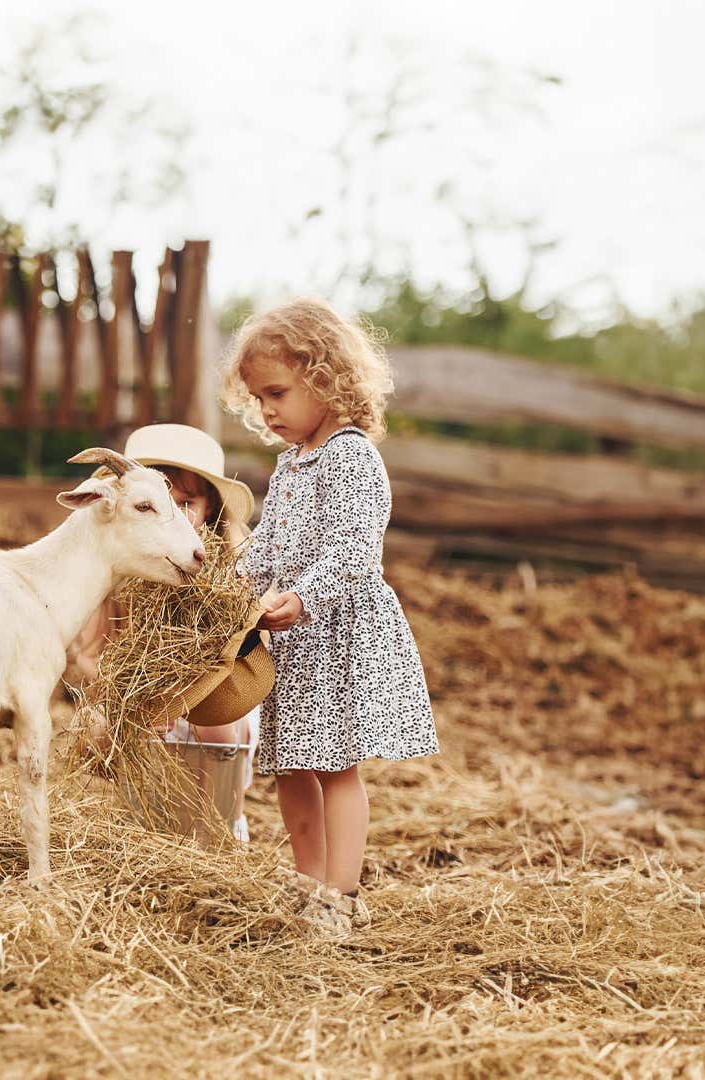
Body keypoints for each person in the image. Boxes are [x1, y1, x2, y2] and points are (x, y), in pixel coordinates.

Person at [222, 296, 440, 936]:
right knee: (291, 763)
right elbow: (272, 541)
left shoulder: (350, 457)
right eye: (258, 397)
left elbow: (353, 548)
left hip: (337, 632)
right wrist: (233, 579)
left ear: (324, 377)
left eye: (278, 392)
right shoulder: (291, 463)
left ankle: (340, 894)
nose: (266, 410)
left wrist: (306, 596)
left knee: (336, 764)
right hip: (290, 640)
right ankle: (307, 880)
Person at [67, 423, 262, 838]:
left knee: (217, 728)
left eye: (186, 502)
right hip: (141, 700)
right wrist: (127, 701)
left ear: (210, 507)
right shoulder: (120, 568)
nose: (174, 516)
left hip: (215, 700)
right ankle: (137, 822)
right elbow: (95, 653)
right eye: (156, 504)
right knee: (95, 726)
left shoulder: (228, 573)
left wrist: (178, 698)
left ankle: (217, 827)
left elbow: (242, 663)